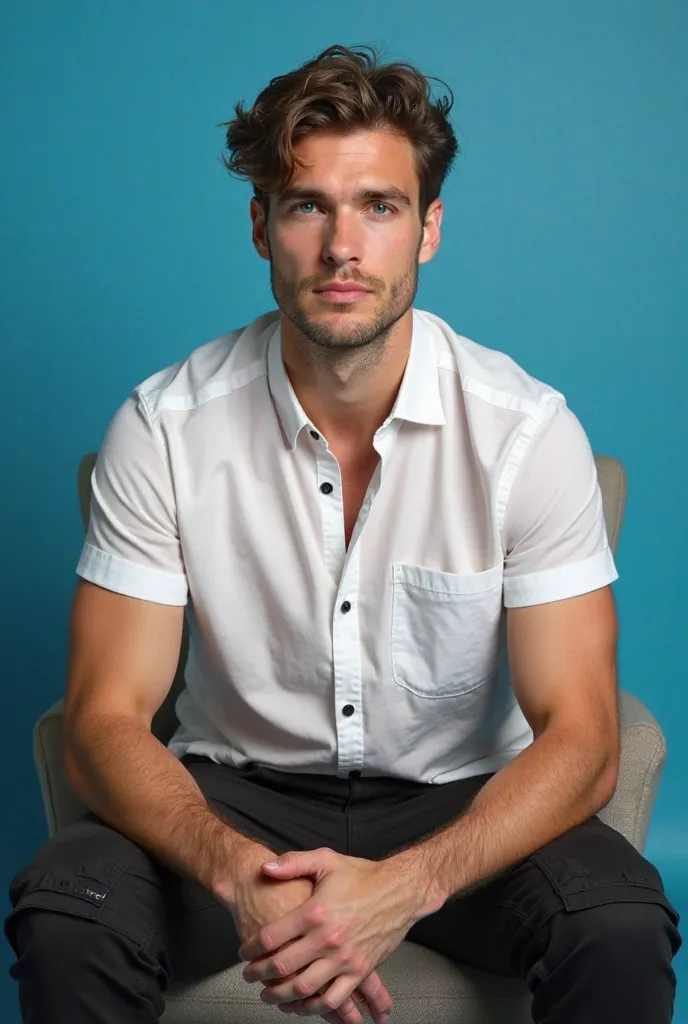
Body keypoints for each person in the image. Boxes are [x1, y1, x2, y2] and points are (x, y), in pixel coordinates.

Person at [5, 43, 682, 1024]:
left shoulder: (527, 434)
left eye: (379, 206)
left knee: (616, 920)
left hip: (456, 797)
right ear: (260, 226)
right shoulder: (163, 427)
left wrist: (403, 885)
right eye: (306, 205)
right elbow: (106, 715)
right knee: (71, 910)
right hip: (237, 793)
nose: (341, 249)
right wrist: (237, 872)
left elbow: (580, 736)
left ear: (429, 229)